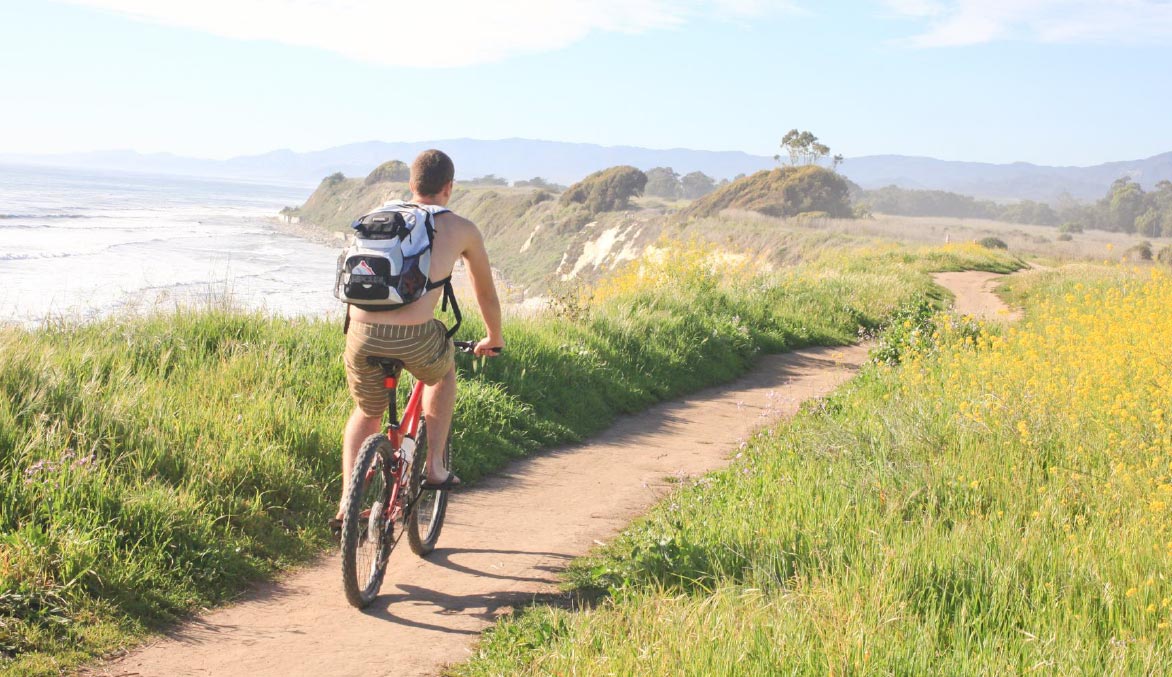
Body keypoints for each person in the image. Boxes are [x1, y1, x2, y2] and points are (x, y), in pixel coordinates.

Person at [336, 149, 503, 526]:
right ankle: (435, 467)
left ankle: (348, 502)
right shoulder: (460, 228)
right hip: (415, 337)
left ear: (411, 185)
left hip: (360, 334)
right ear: (449, 187)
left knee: (366, 411)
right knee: (441, 374)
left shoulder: (380, 215)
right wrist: (493, 336)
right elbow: (485, 293)